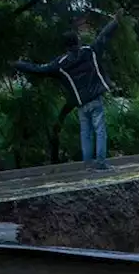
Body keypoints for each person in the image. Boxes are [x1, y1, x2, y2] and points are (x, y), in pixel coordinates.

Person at [13, 12, 121, 170]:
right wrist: (115, 22)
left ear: (65, 46)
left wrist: (17, 63)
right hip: (95, 100)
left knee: (86, 133)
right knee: (100, 131)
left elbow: (38, 69)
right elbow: (103, 38)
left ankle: (87, 165)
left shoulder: (60, 64)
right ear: (77, 40)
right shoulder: (89, 52)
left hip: (80, 103)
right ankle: (101, 163)